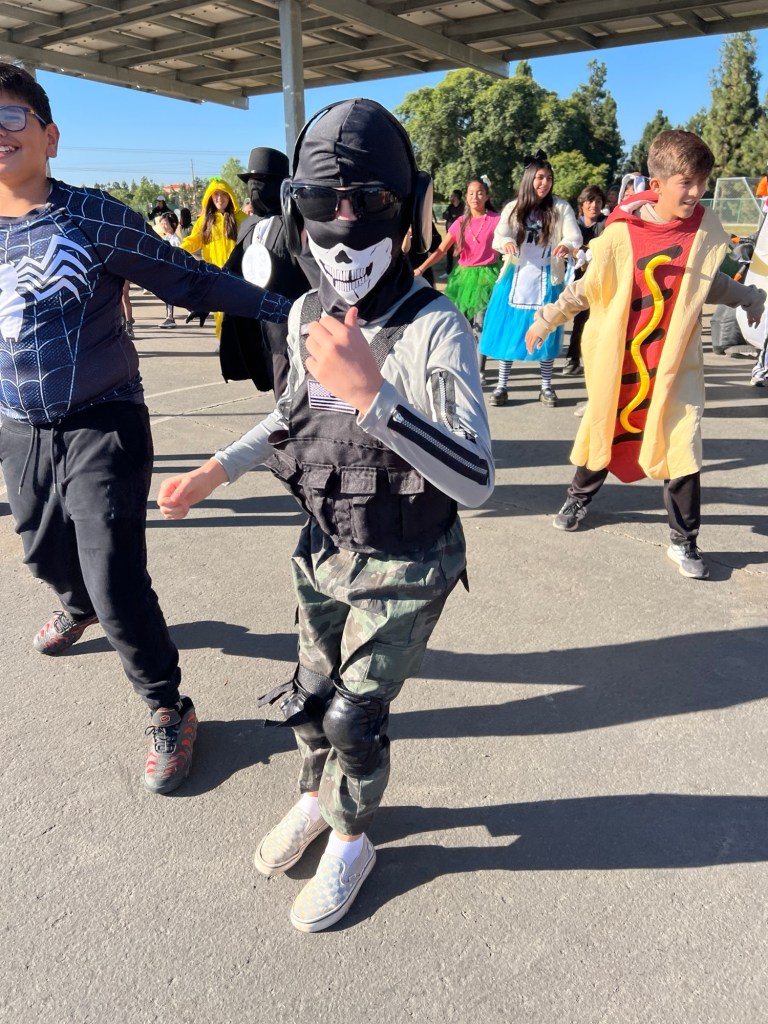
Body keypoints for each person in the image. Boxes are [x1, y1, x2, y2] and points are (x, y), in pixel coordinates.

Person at [157, 98, 494, 931]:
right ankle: (314, 797)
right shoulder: (309, 312)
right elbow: (291, 416)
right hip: (326, 541)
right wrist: (215, 470)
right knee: (310, 695)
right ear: (293, 208)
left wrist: (376, 396)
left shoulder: (434, 327)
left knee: (354, 715)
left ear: (408, 208)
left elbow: (477, 478)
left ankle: (352, 835)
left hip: (408, 558)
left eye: (368, 201)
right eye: (320, 201)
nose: (344, 227)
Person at [0, 64, 292, 795]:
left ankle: (168, 704)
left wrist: (290, 310)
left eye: (10, 117)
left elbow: (191, 278)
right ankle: (77, 606)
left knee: (113, 570)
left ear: (49, 137)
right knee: (41, 550)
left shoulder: (93, 217)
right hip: (18, 425)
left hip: (104, 419)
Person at [524, 130, 765, 580]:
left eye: (702, 182)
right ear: (657, 184)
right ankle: (578, 497)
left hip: (674, 365)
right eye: (686, 182)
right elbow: (586, 288)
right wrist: (547, 318)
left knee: (682, 444)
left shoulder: (702, 232)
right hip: (621, 362)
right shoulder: (621, 235)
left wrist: (749, 297)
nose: (696, 192)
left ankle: (684, 539)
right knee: (604, 429)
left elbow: (707, 284)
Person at [479, 151, 582, 408]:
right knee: (509, 331)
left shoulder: (560, 207)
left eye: (548, 178)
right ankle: (502, 385)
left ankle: (546, 386)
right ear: (529, 179)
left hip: (547, 277)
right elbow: (500, 234)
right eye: (539, 177)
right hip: (515, 278)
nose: (544, 183)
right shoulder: (514, 207)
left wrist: (566, 245)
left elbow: (573, 236)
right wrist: (507, 242)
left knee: (547, 330)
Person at [219, 147, 316, 399]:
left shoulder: (297, 224)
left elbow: (316, 272)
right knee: (273, 383)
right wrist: (206, 297)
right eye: (250, 181)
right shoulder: (248, 226)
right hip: (257, 326)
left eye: (261, 181)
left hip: (288, 328)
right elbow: (232, 267)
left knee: (289, 394)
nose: (254, 188)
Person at [413, 177, 500, 361]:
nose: (475, 197)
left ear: (487, 196)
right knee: (460, 323)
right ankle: (461, 361)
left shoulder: (496, 220)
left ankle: (479, 370)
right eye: (471, 193)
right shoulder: (460, 223)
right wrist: (420, 269)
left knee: (480, 324)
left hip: (487, 276)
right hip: (463, 277)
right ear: (466, 197)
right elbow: (441, 250)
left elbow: (511, 240)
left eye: (480, 193)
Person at [180, 178, 245, 332]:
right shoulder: (204, 221)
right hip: (214, 278)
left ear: (230, 196)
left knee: (238, 320)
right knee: (220, 319)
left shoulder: (242, 219)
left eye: (223, 194)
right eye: (216, 194)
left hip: (238, 278)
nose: (219, 198)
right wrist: (177, 251)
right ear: (210, 197)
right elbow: (193, 241)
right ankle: (223, 341)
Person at [561, 185, 607, 376]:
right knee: (579, 319)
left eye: (598, 201)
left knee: (598, 320)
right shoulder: (574, 225)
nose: (593, 205)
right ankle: (572, 358)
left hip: (601, 278)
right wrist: (574, 253)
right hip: (576, 278)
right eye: (589, 201)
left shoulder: (607, 224)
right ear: (581, 204)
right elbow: (567, 245)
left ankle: (598, 360)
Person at [158, 210, 181, 328]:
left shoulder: (176, 240)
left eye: (165, 223)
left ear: (173, 224)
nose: (163, 225)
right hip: (166, 271)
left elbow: (177, 258)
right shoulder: (166, 237)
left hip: (172, 271)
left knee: (169, 295)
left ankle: (170, 318)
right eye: (162, 223)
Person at [441, 189, 464, 276]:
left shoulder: (463, 207)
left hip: (461, 234)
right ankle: (448, 271)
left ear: (456, 197)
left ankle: (462, 271)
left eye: (452, 196)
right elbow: (445, 215)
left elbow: (462, 219)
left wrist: (452, 217)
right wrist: (450, 216)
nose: (450, 197)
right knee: (449, 251)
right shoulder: (450, 207)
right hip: (450, 234)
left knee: (461, 253)